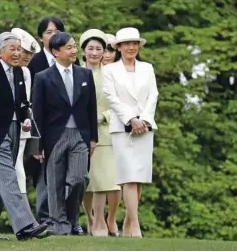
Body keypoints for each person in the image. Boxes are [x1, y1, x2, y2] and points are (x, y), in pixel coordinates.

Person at [0, 32, 48, 240]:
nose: (17, 53)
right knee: (9, 178)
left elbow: (21, 103)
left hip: (14, 130)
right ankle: (25, 226)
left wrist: (25, 118)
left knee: (1, 182)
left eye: (18, 48)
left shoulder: (20, 72)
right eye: (12, 48)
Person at [32, 32, 98, 235]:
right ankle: (58, 224)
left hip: (80, 134)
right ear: (56, 51)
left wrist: (93, 138)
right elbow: (37, 113)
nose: (74, 51)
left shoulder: (85, 74)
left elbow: (91, 108)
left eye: (74, 46)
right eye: (69, 47)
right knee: (54, 183)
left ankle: (71, 218)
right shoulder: (43, 77)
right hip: (54, 136)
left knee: (79, 178)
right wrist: (37, 145)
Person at [27, 16, 83, 235]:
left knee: (76, 177)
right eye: (48, 32)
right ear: (41, 36)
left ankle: (69, 219)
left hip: (72, 130)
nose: (52, 35)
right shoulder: (34, 63)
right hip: (43, 128)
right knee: (44, 176)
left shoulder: (74, 63)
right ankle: (45, 220)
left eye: (57, 31)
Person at [102, 27, 159, 238]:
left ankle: (128, 222)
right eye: (126, 43)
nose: (131, 47)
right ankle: (135, 226)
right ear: (118, 47)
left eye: (134, 43)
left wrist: (143, 120)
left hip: (145, 128)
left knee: (139, 178)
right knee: (128, 178)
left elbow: (153, 95)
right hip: (122, 128)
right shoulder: (110, 70)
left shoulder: (147, 68)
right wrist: (131, 119)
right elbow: (111, 97)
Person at [79, 29, 121, 237]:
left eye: (99, 49)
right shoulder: (75, 72)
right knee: (86, 181)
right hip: (78, 133)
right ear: (83, 51)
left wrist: (102, 116)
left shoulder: (111, 75)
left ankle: (101, 224)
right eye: (91, 49)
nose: (95, 53)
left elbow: (120, 104)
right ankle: (91, 218)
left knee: (102, 181)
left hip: (104, 133)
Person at [10, 27, 41, 201]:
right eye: (24, 52)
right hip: (4, 127)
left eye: (30, 53)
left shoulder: (26, 72)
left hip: (21, 125)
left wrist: (27, 120)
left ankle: (23, 213)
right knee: (9, 170)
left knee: (18, 166)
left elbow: (26, 102)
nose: (28, 57)